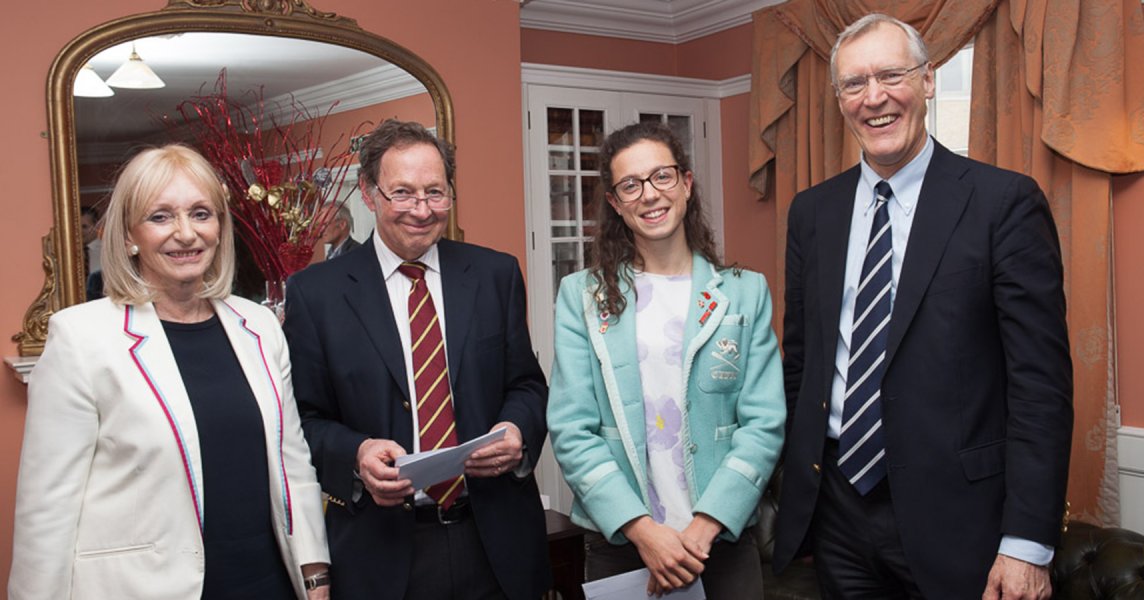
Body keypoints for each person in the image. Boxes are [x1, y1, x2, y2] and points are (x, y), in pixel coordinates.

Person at [772, 13, 1073, 600]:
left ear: (929, 80)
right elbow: (803, 365)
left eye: (891, 75)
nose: (874, 97)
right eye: (854, 84)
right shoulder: (812, 213)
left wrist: (1027, 545)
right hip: (836, 513)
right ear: (839, 100)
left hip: (961, 524)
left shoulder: (1002, 204)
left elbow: (1040, 388)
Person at [9, 144, 330, 599]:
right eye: (161, 217)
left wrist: (315, 574)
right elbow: (47, 507)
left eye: (201, 214)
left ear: (220, 227)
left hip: (266, 582)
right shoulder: (81, 339)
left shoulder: (257, 325)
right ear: (127, 236)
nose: (186, 234)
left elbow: (291, 461)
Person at [282, 119, 551, 599]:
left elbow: (526, 385)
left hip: (494, 542)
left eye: (435, 192)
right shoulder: (316, 294)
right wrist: (357, 454)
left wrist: (516, 431)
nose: (422, 211)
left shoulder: (495, 274)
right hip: (381, 552)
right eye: (402, 193)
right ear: (368, 193)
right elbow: (304, 418)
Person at [548, 122, 785, 599]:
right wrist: (644, 532)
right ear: (615, 202)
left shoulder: (743, 292)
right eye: (630, 185)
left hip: (722, 538)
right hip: (622, 542)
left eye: (662, 177)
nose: (650, 195)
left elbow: (764, 424)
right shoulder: (582, 296)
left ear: (686, 183)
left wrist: (700, 531)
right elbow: (572, 429)